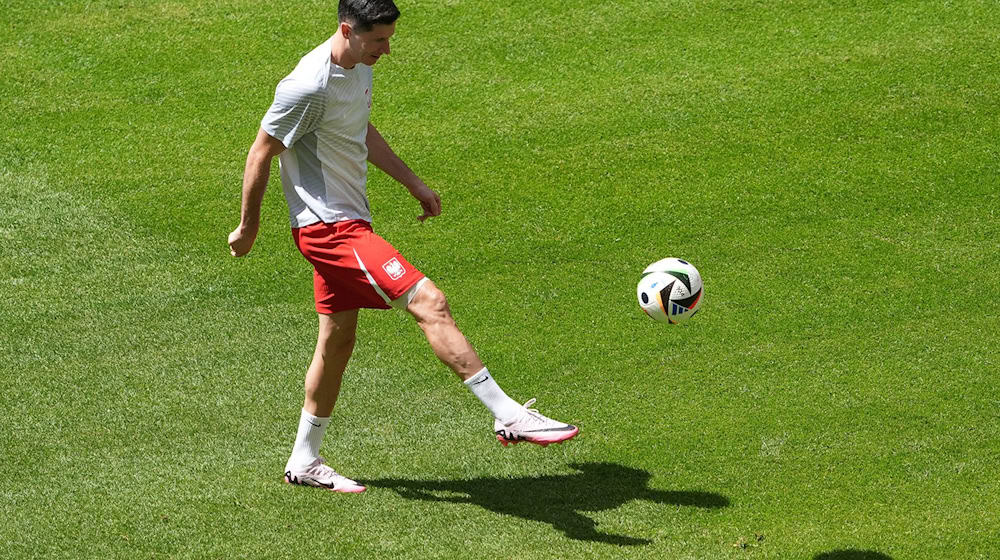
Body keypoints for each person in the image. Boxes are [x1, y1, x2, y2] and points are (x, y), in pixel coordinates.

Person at [227, 0, 578, 493]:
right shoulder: (307, 85)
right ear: (347, 30)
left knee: (336, 342)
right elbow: (261, 151)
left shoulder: (356, 68)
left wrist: (412, 182)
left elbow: (359, 129)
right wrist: (248, 227)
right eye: (378, 41)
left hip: (348, 221)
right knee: (428, 301)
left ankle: (304, 459)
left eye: (389, 39)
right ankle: (508, 414)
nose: (387, 51)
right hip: (329, 230)